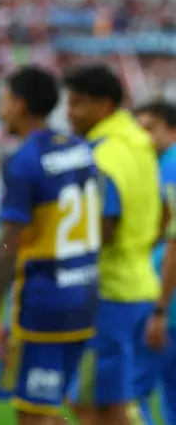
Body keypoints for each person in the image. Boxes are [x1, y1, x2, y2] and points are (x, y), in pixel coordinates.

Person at [0, 66, 100, 425]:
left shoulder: (24, 161)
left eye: (3, 101)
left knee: (32, 412)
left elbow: (10, 241)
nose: (0, 110)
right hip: (84, 297)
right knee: (57, 405)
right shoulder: (82, 149)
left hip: (43, 304)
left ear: (20, 105)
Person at [64, 64, 160, 425]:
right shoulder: (139, 142)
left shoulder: (103, 154)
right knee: (120, 405)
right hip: (140, 286)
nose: (70, 113)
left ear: (104, 105)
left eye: (77, 104)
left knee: (90, 408)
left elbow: (104, 227)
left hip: (107, 291)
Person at [133, 100, 176, 425]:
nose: (143, 137)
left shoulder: (169, 169)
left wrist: (160, 308)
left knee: (130, 398)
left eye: (150, 128)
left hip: (165, 306)